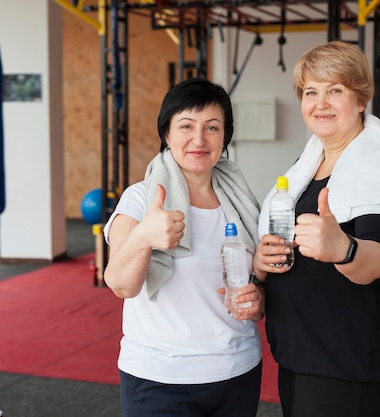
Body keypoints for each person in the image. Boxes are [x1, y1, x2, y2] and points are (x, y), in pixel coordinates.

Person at [253, 41, 380, 417]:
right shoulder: (311, 163)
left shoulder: (379, 167)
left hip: (348, 358)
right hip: (301, 348)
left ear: (360, 100)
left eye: (335, 90)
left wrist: (344, 249)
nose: (320, 103)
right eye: (311, 92)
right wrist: (264, 259)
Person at [103, 77, 265, 417]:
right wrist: (143, 237)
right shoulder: (140, 199)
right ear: (167, 134)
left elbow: (256, 283)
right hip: (159, 376)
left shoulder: (243, 202)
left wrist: (258, 298)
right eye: (186, 126)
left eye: (212, 127)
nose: (199, 139)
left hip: (237, 369)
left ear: (225, 136)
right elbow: (120, 283)